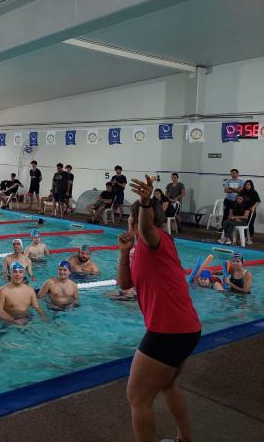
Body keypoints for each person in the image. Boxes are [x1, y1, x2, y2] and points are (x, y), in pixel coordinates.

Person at [116, 176, 201, 442]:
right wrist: (123, 253)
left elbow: (146, 226)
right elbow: (125, 284)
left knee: (137, 397)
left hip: (169, 331)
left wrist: (144, 202)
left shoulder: (157, 241)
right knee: (167, 384)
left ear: (135, 221)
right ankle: (185, 439)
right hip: (182, 328)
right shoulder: (140, 249)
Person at [241, 180, 259, 245]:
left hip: (251, 211)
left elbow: (258, 201)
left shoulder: (254, 192)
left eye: (248, 184)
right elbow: (238, 200)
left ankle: (250, 237)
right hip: (244, 211)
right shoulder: (242, 192)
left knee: (250, 224)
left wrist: (253, 207)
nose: (247, 186)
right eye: (246, 184)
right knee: (244, 223)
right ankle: (245, 236)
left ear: (251, 185)